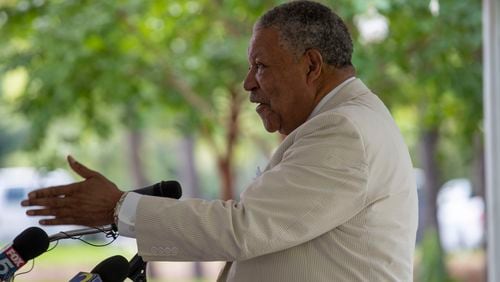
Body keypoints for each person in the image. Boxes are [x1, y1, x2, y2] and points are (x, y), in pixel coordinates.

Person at [22, 1, 418, 281]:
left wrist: (118, 208)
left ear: (311, 65)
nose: (248, 84)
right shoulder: (347, 121)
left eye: (260, 67)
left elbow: (243, 228)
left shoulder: (344, 131)